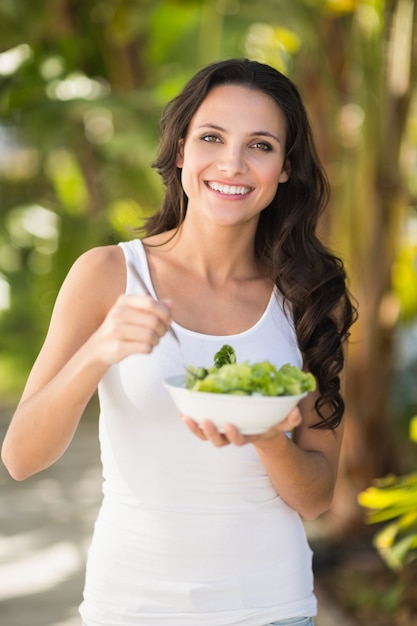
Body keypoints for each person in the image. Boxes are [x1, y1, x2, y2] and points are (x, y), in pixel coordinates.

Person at [2, 58, 357, 626]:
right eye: (212, 137)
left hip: (270, 607)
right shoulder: (108, 275)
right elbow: (20, 457)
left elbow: (316, 496)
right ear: (181, 150)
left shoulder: (310, 297)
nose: (232, 163)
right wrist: (99, 350)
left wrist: (268, 440)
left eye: (260, 145)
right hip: (131, 606)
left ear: (286, 168)